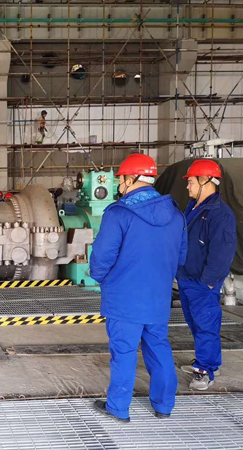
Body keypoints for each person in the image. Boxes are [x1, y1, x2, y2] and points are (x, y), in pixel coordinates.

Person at [90, 153, 187, 422]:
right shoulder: (176, 214)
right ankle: (164, 406)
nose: (120, 184)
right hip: (158, 297)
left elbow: (102, 257)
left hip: (124, 297)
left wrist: (102, 278)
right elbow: (181, 257)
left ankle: (118, 408)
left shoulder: (119, 213)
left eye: (121, 179)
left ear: (130, 178)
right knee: (159, 348)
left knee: (124, 352)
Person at [177, 160, 236, 391]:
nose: (187, 187)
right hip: (187, 277)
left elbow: (222, 253)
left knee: (205, 326)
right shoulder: (193, 207)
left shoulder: (220, 214)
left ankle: (205, 370)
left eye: (191, 182)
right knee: (196, 323)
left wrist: (209, 282)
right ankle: (210, 362)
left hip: (202, 282)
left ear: (205, 181)